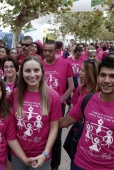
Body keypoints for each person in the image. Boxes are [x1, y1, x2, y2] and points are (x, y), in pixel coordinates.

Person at [60, 56, 114, 170]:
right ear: (98, 76)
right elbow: (64, 122)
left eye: (112, 76)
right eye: (103, 75)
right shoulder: (87, 99)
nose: (107, 80)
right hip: (80, 164)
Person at [9, 56, 62, 170]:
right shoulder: (15, 94)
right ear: (21, 73)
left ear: (42, 72)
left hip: (41, 155)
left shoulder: (53, 96)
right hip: (18, 154)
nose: (32, 75)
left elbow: (54, 128)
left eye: (36, 70)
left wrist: (45, 154)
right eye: (27, 70)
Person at [42, 40, 74, 170]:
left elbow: (71, 87)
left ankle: (55, 165)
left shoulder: (65, 63)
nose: (47, 53)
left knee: (56, 136)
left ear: (56, 51)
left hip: (59, 105)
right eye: (45, 50)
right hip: (42, 104)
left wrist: (59, 101)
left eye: (50, 51)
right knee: (42, 133)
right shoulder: (39, 64)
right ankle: (43, 159)